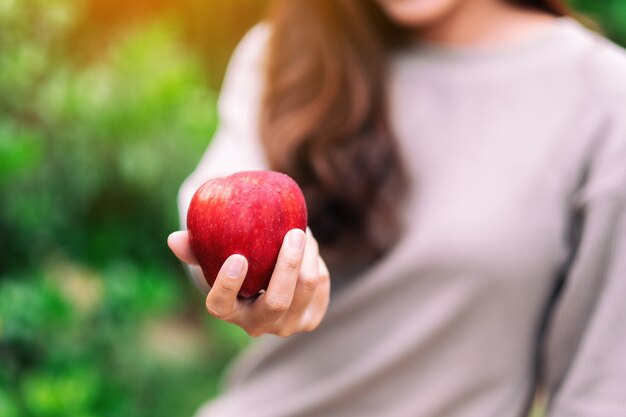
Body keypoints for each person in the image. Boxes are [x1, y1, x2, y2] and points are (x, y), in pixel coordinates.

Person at [167, 0, 626, 415]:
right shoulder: (285, 51)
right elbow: (210, 216)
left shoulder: (602, 95)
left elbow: (600, 390)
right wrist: (257, 285)